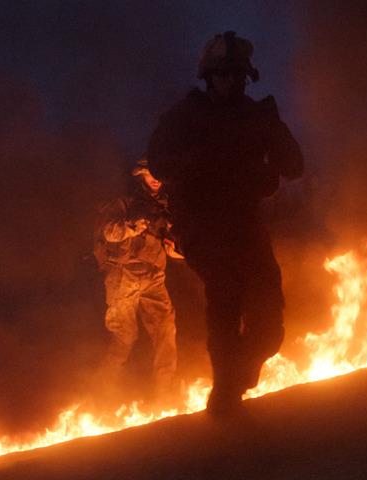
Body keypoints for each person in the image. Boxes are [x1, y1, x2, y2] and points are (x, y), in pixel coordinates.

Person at [145, 31, 303, 414]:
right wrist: (201, 160)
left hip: (246, 224)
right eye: (222, 74)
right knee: (226, 294)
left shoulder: (258, 115)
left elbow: (294, 166)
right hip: (202, 225)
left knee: (269, 324)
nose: (230, 81)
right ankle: (225, 395)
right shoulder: (184, 117)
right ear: (208, 76)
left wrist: (272, 139)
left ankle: (237, 378)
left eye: (237, 75)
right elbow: (158, 163)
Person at [94, 161, 183, 407]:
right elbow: (108, 232)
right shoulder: (123, 202)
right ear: (141, 174)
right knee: (124, 336)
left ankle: (164, 396)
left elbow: (170, 247)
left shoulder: (163, 206)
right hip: (123, 277)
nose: (157, 179)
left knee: (166, 331)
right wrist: (132, 226)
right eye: (152, 173)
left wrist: (181, 250)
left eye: (160, 174)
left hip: (154, 277)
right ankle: (100, 398)